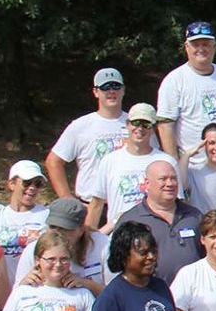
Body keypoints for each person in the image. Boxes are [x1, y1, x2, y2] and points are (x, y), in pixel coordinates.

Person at [157, 21, 216, 165]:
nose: (201, 49)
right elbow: (165, 126)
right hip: (193, 168)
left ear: (214, 47)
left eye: (206, 44)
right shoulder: (174, 80)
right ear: (186, 47)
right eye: (196, 44)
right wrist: (175, 167)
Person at [88, 103, 181, 229]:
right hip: (120, 234)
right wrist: (88, 242)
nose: (140, 129)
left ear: (153, 129)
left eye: (146, 124)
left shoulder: (167, 161)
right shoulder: (109, 160)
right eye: (136, 123)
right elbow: (96, 204)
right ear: (127, 124)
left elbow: (178, 203)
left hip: (157, 234)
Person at [48, 67, 133, 202]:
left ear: (123, 90)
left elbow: (153, 161)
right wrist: (67, 199)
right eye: (105, 87)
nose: (111, 91)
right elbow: (53, 161)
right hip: (91, 206)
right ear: (96, 92)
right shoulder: (80, 125)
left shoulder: (137, 123)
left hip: (129, 203)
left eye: (116, 86)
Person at [117, 160, 204, 280]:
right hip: (151, 294)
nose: (170, 183)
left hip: (194, 294)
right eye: (163, 179)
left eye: (173, 178)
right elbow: (119, 264)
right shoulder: (130, 220)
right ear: (147, 183)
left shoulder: (194, 216)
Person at [15, 198, 114, 296]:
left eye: (64, 228)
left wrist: (86, 284)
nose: (57, 233)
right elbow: (15, 297)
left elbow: (118, 296)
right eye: (53, 226)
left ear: (81, 230)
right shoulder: (33, 249)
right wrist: (24, 284)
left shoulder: (103, 246)